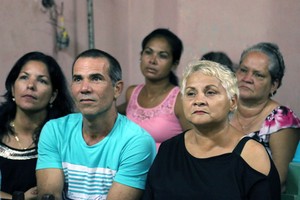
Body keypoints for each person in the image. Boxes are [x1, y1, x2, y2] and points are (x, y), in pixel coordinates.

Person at [142, 60, 281, 199]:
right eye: (191, 93)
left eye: (210, 92)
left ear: (232, 102)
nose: (199, 100)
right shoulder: (169, 149)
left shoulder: (251, 156)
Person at [36, 49, 156, 200]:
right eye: (78, 79)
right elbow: (50, 196)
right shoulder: (55, 130)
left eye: (96, 78)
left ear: (117, 89)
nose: (84, 88)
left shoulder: (136, 141)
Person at [0, 51, 74, 199]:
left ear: (53, 95)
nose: (30, 85)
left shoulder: (63, 135)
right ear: (13, 88)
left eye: (42, 81)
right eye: (24, 77)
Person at [230, 42, 300, 192]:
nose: (247, 78)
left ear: (274, 85)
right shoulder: (223, 109)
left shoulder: (282, 119)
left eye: (258, 74)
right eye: (243, 70)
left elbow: (277, 179)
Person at [118, 28, 191, 150]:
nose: (152, 60)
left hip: (166, 168)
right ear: (141, 56)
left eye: (162, 56)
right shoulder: (132, 93)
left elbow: (194, 144)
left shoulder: (180, 99)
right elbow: (113, 114)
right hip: (132, 167)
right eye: (148, 52)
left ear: (174, 64)